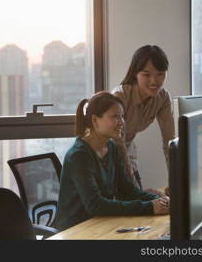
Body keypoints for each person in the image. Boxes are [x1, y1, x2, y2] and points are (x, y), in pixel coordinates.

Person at [54, 91, 169, 231]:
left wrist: (160, 201)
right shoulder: (79, 156)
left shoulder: (111, 147)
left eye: (122, 116)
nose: (122, 122)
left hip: (99, 224)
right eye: (115, 117)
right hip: (74, 230)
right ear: (95, 120)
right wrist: (150, 207)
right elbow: (96, 205)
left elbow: (127, 190)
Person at [112, 45, 175, 192]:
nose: (154, 81)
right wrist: (139, 193)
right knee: (139, 206)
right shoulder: (120, 96)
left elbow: (170, 143)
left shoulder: (163, 98)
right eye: (146, 74)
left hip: (128, 155)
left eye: (160, 74)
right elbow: (117, 145)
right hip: (105, 160)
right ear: (135, 73)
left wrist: (175, 182)